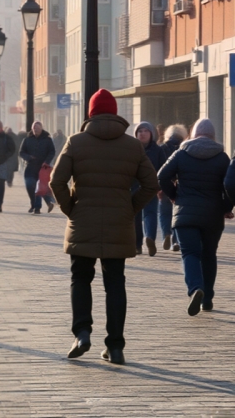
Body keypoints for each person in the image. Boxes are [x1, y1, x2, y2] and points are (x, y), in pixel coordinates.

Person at [50, 89, 159, 365]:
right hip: (118, 224)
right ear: (115, 113)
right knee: (115, 283)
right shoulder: (132, 146)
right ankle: (116, 346)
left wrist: (71, 210)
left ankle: (82, 333)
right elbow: (151, 184)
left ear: (91, 113)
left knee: (80, 277)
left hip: (82, 221)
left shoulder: (76, 142)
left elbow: (56, 181)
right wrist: (130, 208)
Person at [161, 119, 233, 316]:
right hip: (212, 215)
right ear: (213, 135)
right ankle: (207, 299)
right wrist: (226, 207)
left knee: (190, 254)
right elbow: (230, 185)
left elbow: (161, 175)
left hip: (185, 214)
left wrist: (174, 195)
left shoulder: (181, 154)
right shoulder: (222, 157)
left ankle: (196, 288)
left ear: (192, 134)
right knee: (209, 255)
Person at [133, 121, 167, 256]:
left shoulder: (158, 150)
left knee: (150, 213)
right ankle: (137, 245)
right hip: (134, 186)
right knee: (135, 215)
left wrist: (161, 186)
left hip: (151, 186)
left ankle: (150, 239)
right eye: (139, 131)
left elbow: (163, 168)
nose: (142, 134)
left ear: (151, 133)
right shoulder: (132, 149)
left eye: (145, 131)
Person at [159, 124, 188, 251]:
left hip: (165, 185)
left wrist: (158, 186)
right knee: (178, 214)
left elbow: (158, 169)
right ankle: (176, 241)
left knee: (165, 212)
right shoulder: (185, 148)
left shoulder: (161, 148)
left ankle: (166, 233)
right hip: (180, 186)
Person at [19, 121, 56, 215]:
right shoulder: (27, 140)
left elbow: (52, 152)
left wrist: (46, 161)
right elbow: (21, 152)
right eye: (34, 128)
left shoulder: (47, 140)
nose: (36, 130)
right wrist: (28, 157)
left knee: (39, 187)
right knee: (30, 185)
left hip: (42, 168)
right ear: (32, 129)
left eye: (38, 128)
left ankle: (37, 207)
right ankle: (37, 203)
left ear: (41, 129)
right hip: (30, 167)